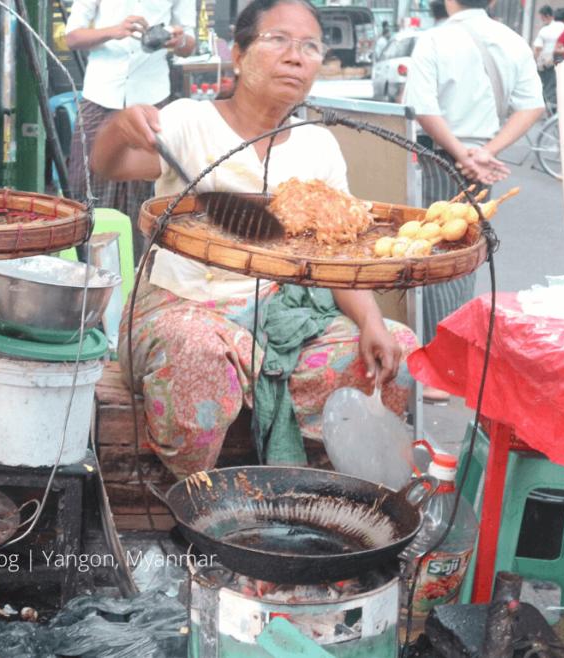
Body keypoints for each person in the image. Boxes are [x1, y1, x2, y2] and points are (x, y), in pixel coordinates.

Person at [90, 0, 419, 475]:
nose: (295, 56)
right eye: (278, 40)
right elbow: (108, 164)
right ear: (239, 56)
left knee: (396, 348)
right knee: (200, 352)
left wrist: (372, 321)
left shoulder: (318, 145)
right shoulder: (189, 121)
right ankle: (193, 493)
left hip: (280, 319)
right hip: (182, 307)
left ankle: (322, 487)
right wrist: (120, 128)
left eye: (309, 46)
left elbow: (338, 256)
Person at [402, 0, 544, 355]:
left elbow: (423, 108)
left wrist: (460, 154)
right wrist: (485, 152)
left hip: (439, 159)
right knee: (467, 255)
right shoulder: (513, 40)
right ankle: (458, 355)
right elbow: (533, 106)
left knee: (434, 255)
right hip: (483, 164)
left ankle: (440, 362)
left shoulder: (434, 40)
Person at [64, 0, 196, 259]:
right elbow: (72, 37)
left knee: (144, 192)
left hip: (151, 95)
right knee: (85, 184)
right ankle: (81, 264)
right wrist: (113, 30)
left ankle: (135, 269)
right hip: (101, 94)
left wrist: (177, 41)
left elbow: (189, 44)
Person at [533, 5, 564, 105]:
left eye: (543, 18)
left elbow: (539, 49)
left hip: (546, 63)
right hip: (561, 61)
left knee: (545, 87)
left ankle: (547, 109)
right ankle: (553, 108)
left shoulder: (544, 30)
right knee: (556, 87)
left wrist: (534, 62)